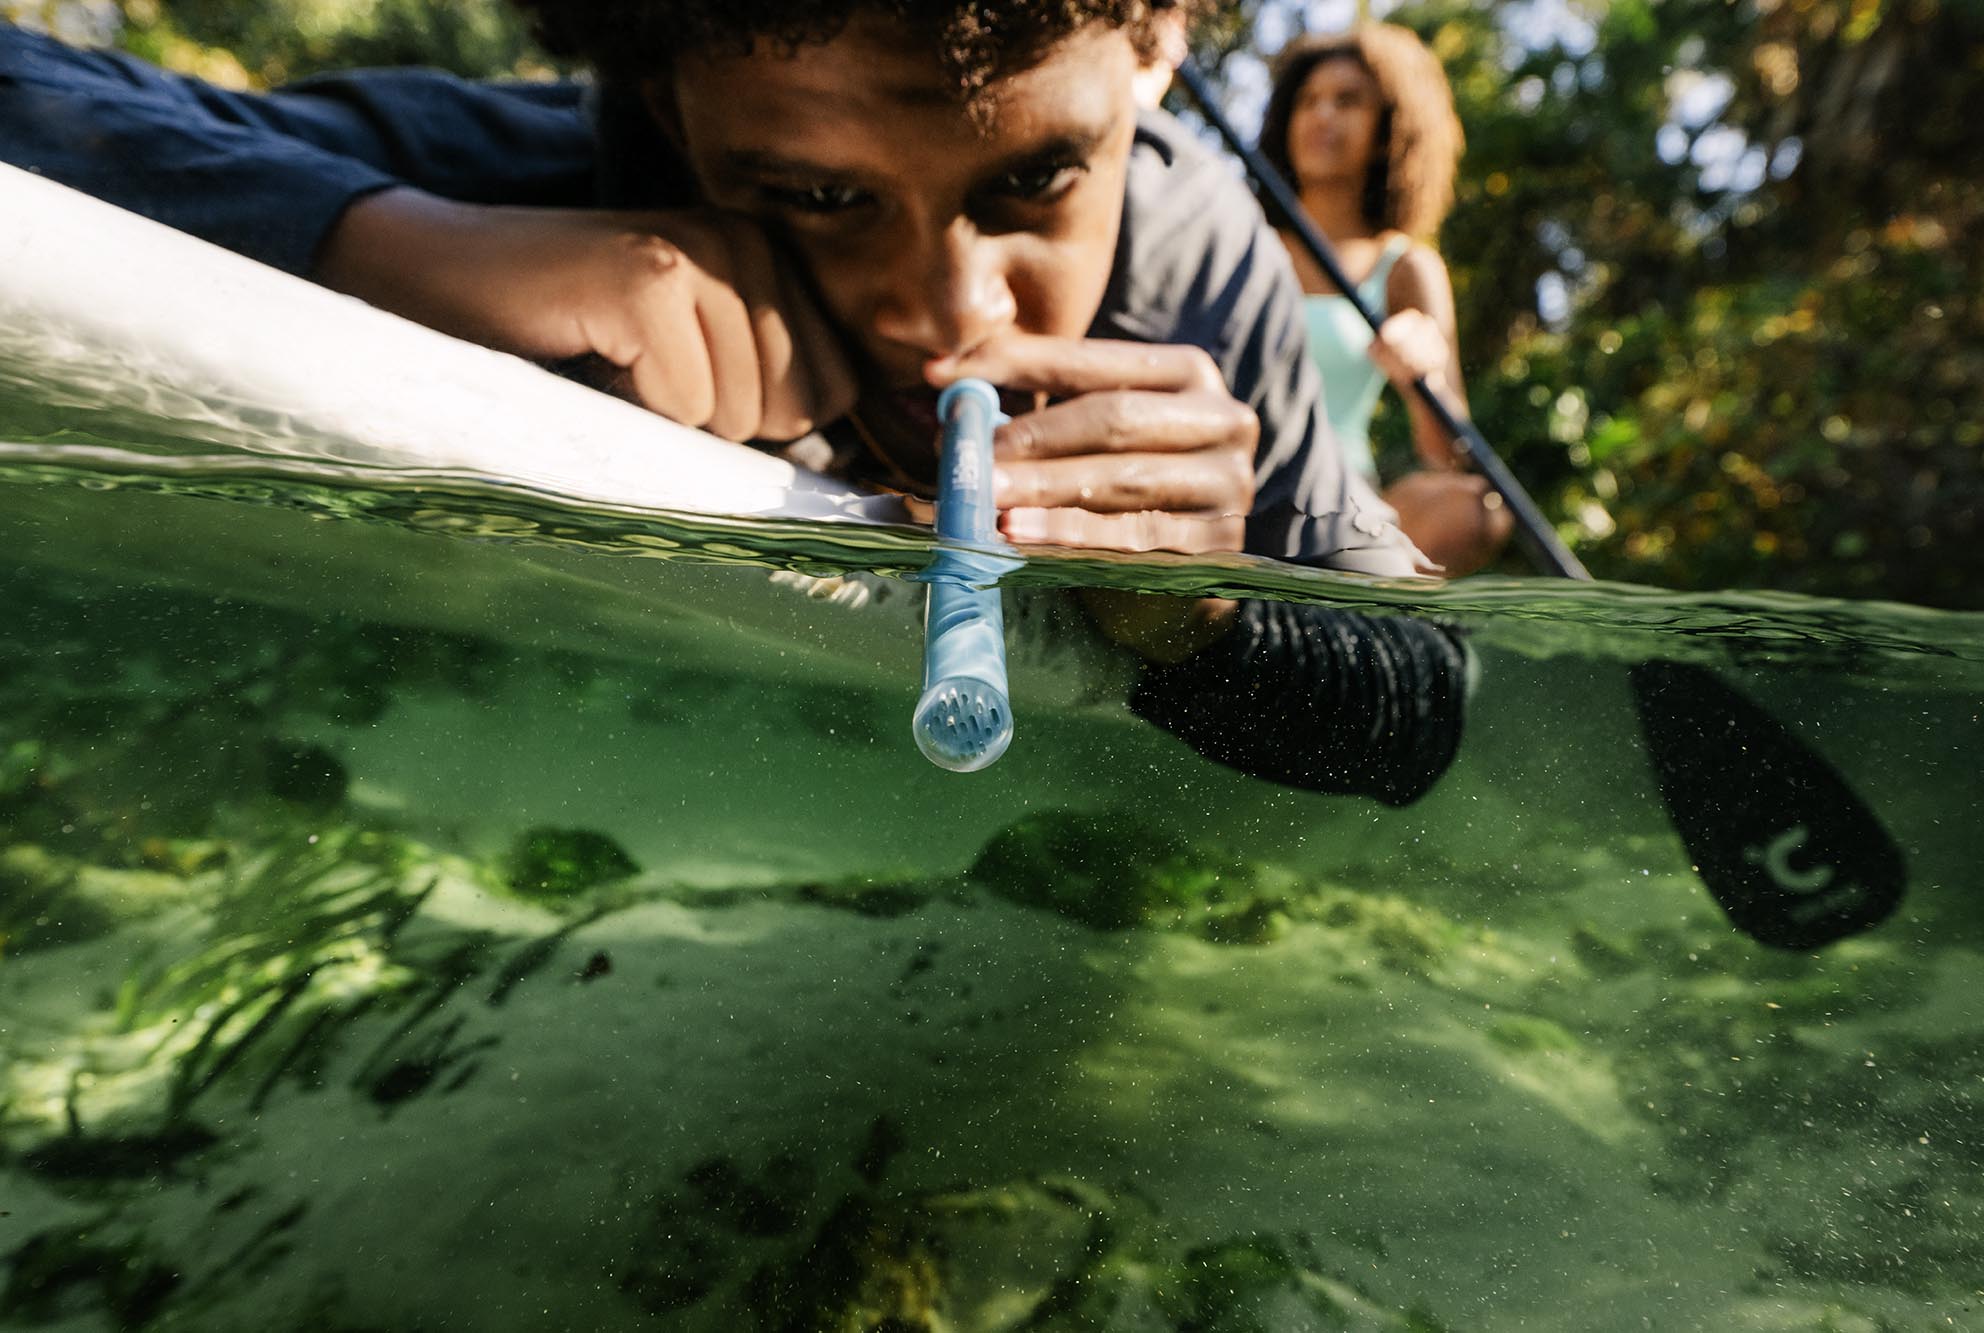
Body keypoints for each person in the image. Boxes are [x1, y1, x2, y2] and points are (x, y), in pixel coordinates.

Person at [0, 5, 1467, 804]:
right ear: (660, 109)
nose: (951, 315)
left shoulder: (1204, 258)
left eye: (1033, 181)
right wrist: (400, 243)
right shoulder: (582, 166)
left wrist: (1202, 622)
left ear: (1156, 47)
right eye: (822, 198)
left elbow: (1419, 714)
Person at [1258, 26, 1512, 577]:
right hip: (1237, 484)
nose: (1323, 115)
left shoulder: (1407, 267)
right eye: (1308, 101)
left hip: (1346, 500)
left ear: (1388, 128)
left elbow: (1450, 457)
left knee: (1477, 510)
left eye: (1347, 101)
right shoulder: (1244, 241)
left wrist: (1423, 377)